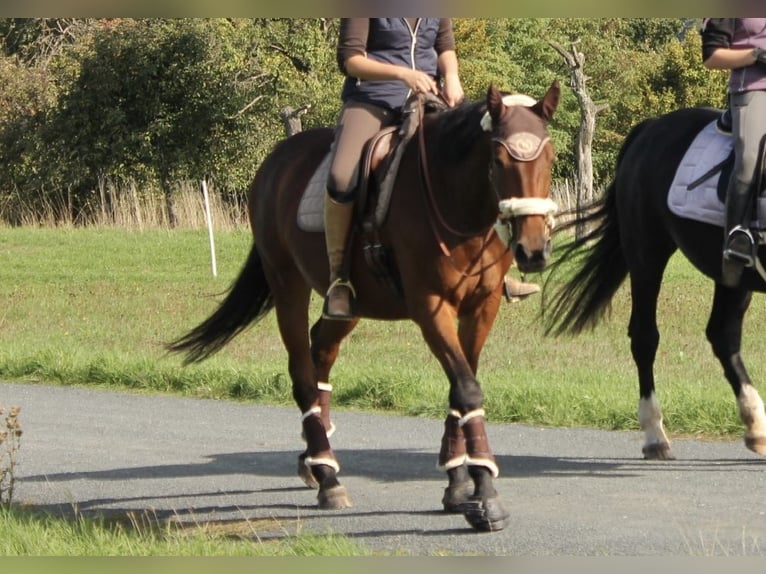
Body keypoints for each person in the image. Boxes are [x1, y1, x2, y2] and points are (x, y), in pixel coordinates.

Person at [323, 18, 539, 320]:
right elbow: (351, 61)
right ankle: (339, 279)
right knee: (341, 176)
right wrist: (402, 74)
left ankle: (497, 270)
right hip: (373, 100)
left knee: (475, 161)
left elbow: (445, 47)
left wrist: (452, 76)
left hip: (429, 100)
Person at [701, 18, 766, 288]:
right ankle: (736, 241)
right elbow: (712, 56)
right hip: (754, 91)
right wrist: (754, 55)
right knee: (751, 159)